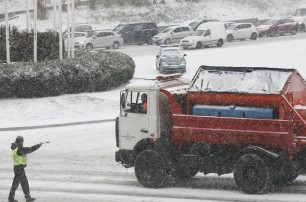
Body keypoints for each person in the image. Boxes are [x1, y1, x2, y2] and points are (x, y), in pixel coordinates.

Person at [8, 136, 43, 202]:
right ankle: (13, 198)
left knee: (20, 183)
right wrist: (38, 145)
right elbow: (30, 149)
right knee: (20, 183)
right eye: (22, 141)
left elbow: (27, 149)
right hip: (19, 168)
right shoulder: (19, 149)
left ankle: (25, 197)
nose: (23, 142)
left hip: (17, 168)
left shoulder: (14, 148)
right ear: (20, 141)